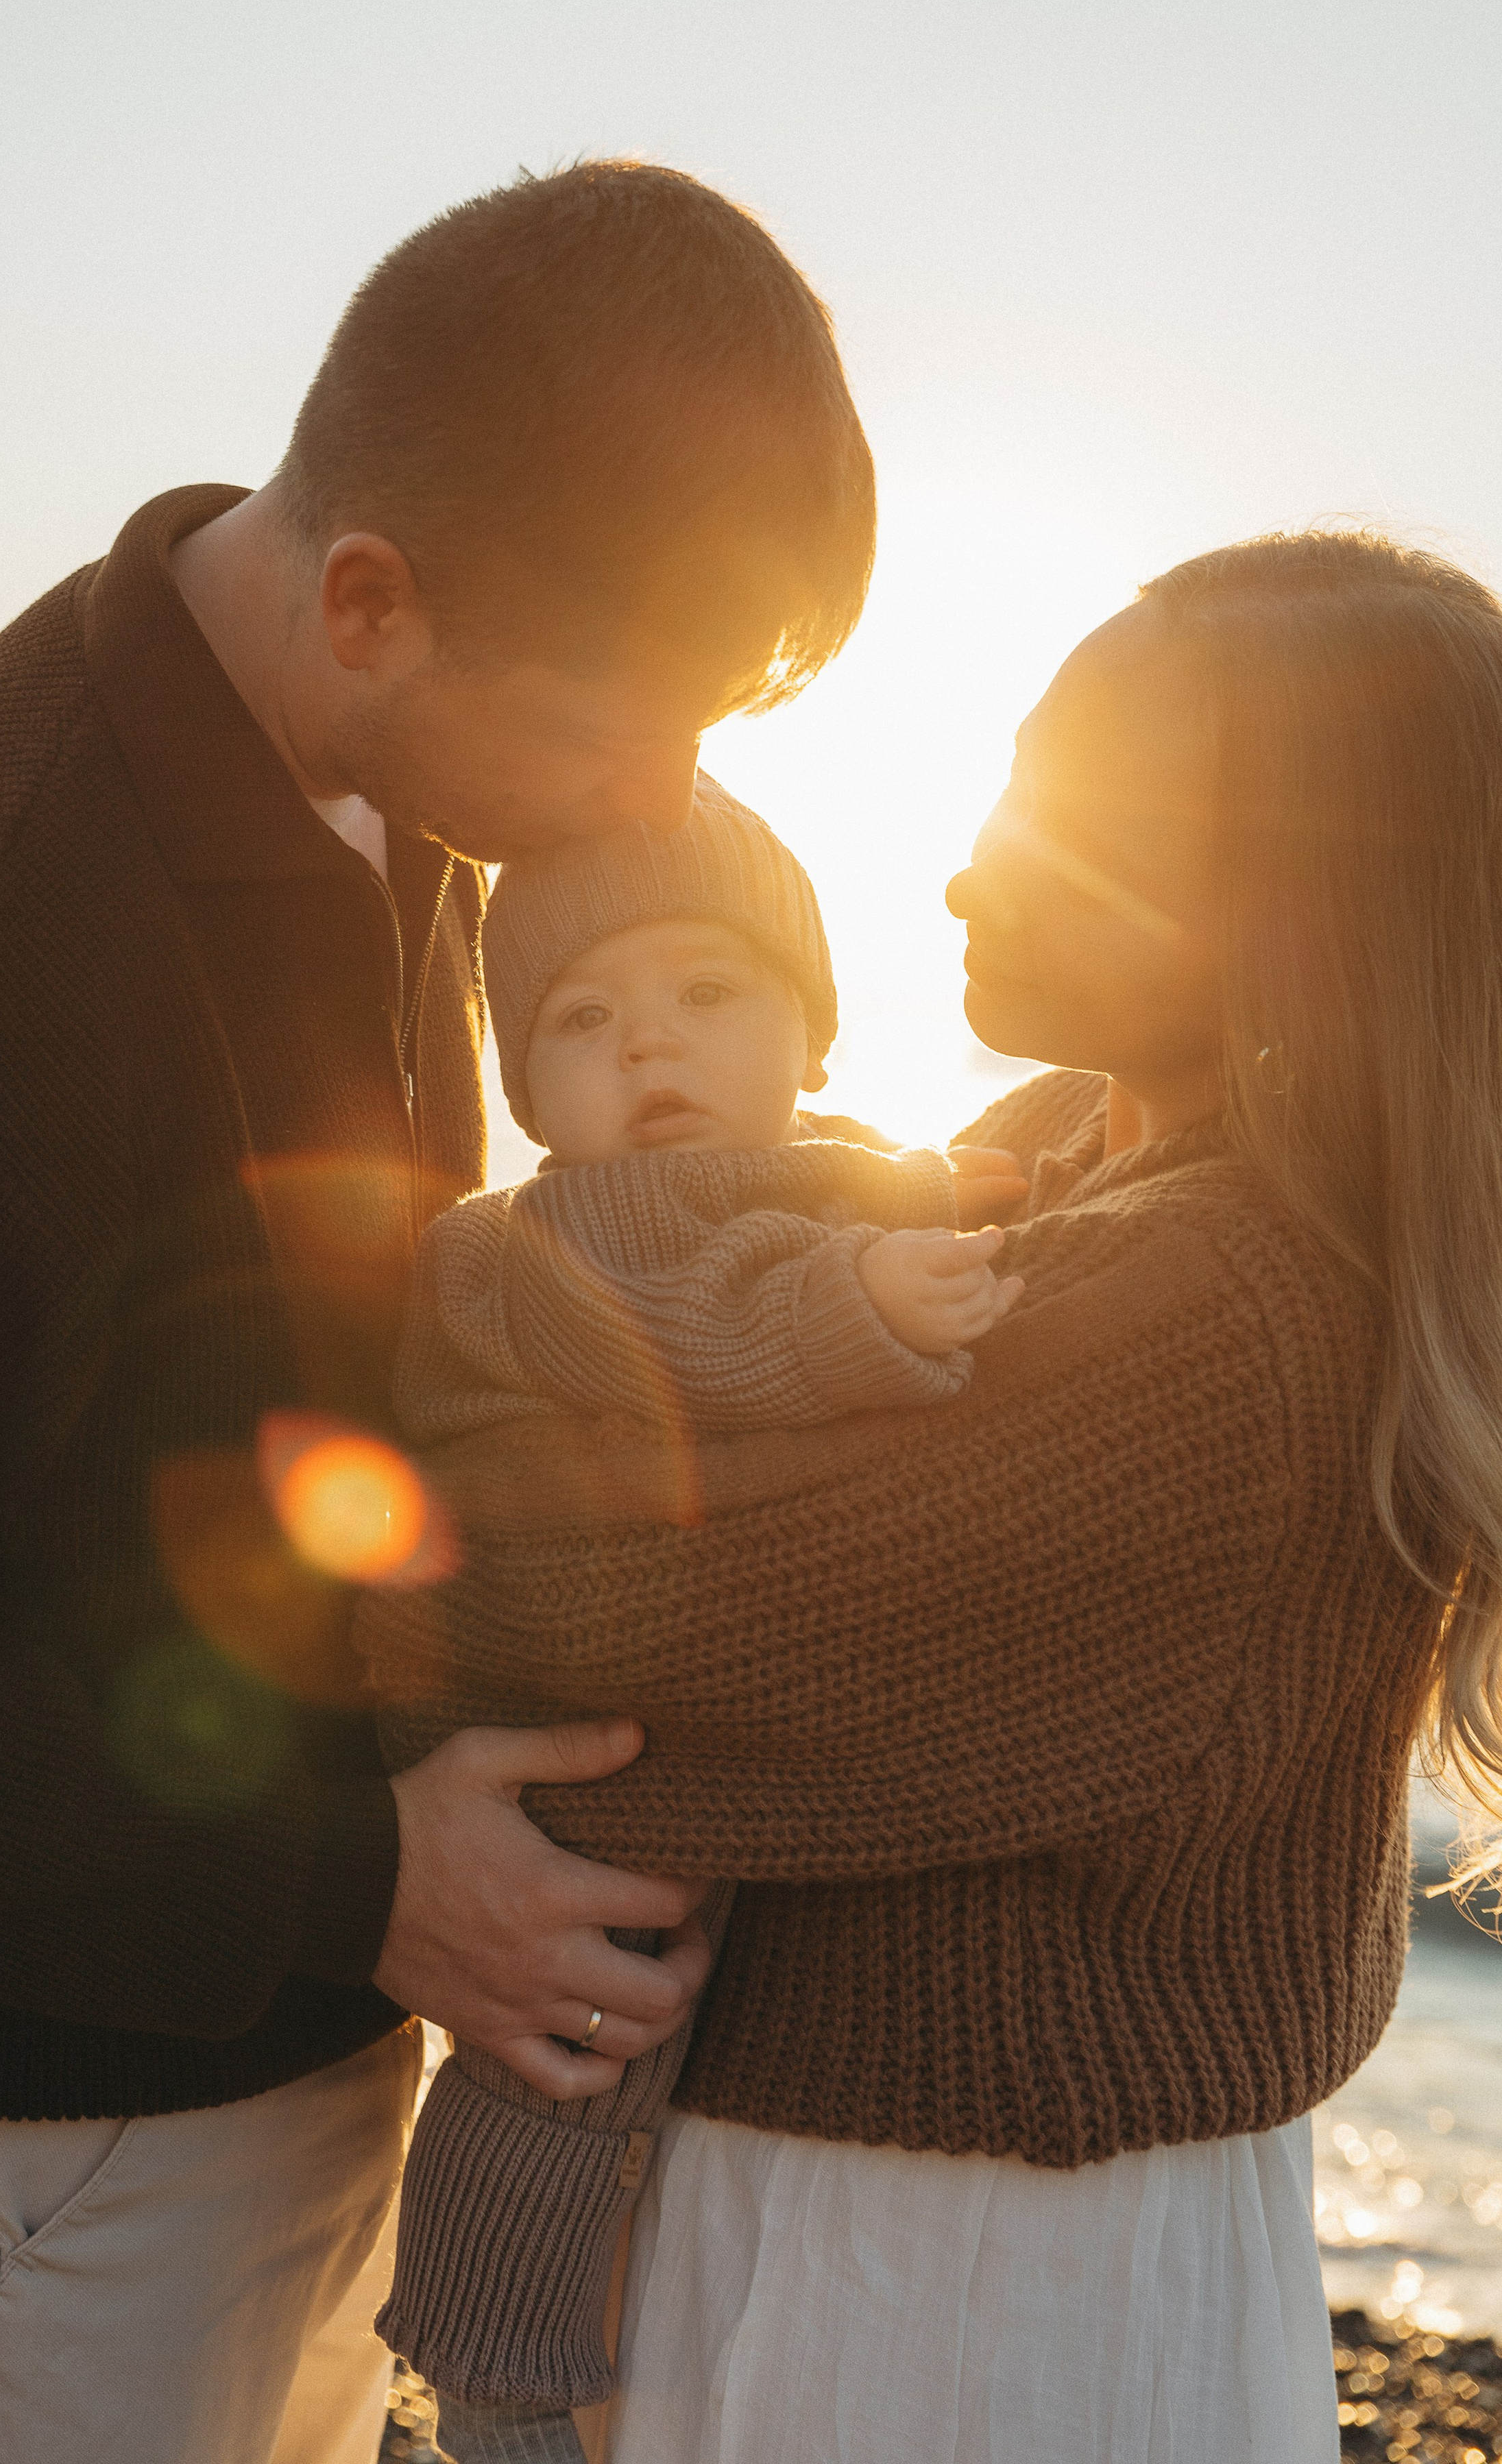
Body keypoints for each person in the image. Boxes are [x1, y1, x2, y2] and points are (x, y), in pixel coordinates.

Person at [0, 159, 877, 2464]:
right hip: (27, 2167)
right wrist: (361, 1878)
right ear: (372, 597)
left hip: (275, 2051)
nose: (670, 796)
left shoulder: (376, 774)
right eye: (621, 725)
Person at [359, 530, 1502, 2463]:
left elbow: (646, 1645)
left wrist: (361, 1550)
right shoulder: (1046, 1164)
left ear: (1271, 897)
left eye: (1062, 822)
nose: (971, 868)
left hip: (964, 2284)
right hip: (848, 2217)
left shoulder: (1232, 1311)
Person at [372, 771, 1024, 2464]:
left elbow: (908, 1208)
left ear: (813, 1032)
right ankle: (493, 2372)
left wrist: (977, 1199)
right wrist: (853, 1308)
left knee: (674, 2057)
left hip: (709, 1703)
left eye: (707, 994)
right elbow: (658, 1332)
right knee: (566, 2050)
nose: (648, 1046)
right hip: (530, 1703)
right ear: (525, 1093)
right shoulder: (523, 1245)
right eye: (583, 1019)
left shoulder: (844, 1182)